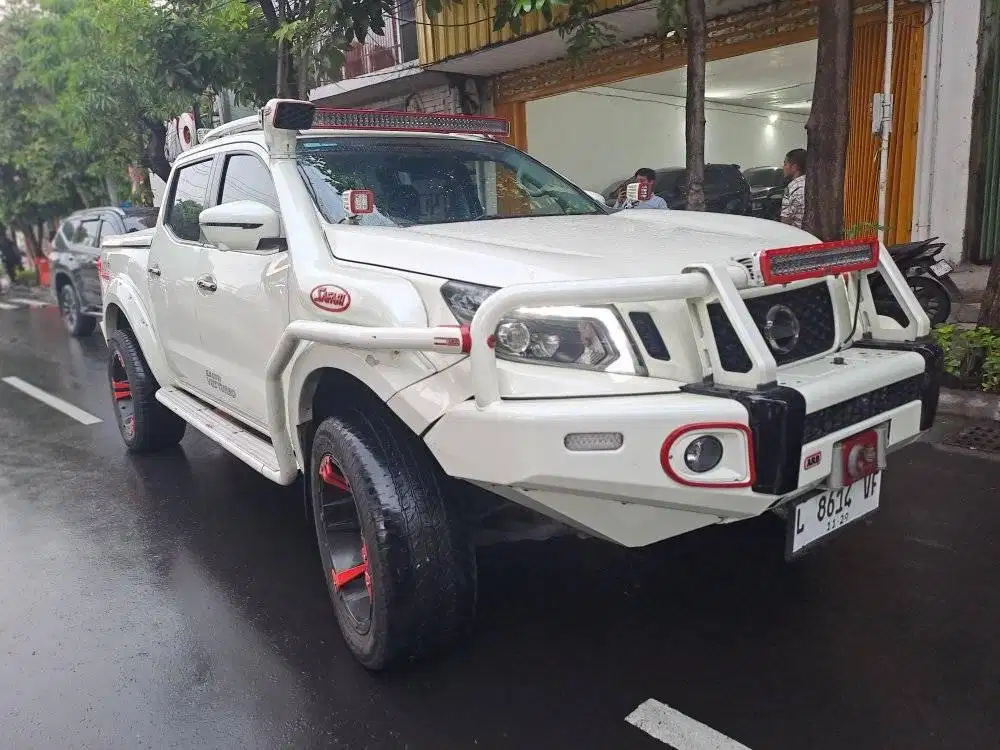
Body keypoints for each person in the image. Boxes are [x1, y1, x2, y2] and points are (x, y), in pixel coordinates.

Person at [780, 148, 807, 228]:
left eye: (785, 164)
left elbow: (785, 221)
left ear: (794, 167)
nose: (783, 167)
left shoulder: (791, 188)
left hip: (797, 235)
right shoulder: (811, 184)